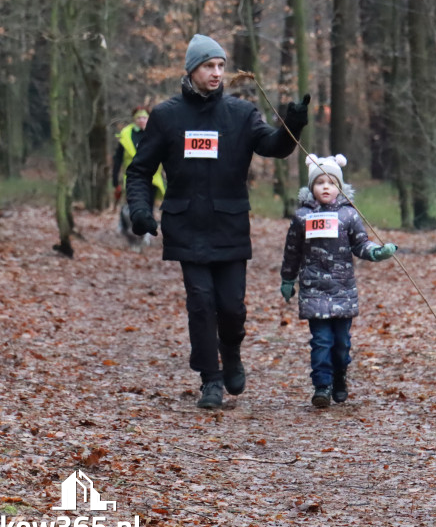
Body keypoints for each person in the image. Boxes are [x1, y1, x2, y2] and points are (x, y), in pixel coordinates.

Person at [125, 33, 309, 409]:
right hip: (186, 225)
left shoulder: (240, 113)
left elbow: (273, 146)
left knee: (231, 307)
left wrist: (293, 125)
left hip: (229, 226)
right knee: (200, 304)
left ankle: (233, 354)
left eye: (221, 66)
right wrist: (140, 210)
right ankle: (210, 378)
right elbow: (139, 171)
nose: (217, 72)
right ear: (192, 69)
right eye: (209, 65)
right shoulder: (166, 115)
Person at [279, 154, 397, 408]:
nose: (325, 187)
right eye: (319, 181)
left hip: (343, 290)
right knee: (321, 342)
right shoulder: (302, 216)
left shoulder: (349, 215)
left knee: (341, 344)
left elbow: (361, 244)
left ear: (339, 187)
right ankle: (322, 386)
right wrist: (287, 278)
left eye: (331, 182)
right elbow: (292, 250)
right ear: (311, 187)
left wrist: (377, 252)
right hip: (313, 291)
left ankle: (340, 376)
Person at [113, 106, 165, 246]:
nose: (141, 120)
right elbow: (118, 158)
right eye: (138, 118)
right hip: (131, 177)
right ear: (134, 120)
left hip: (154, 178)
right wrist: (114, 179)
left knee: (148, 205)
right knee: (131, 206)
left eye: (144, 118)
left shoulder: (157, 133)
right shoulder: (126, 135)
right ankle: (128, 229)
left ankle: (146, 234)